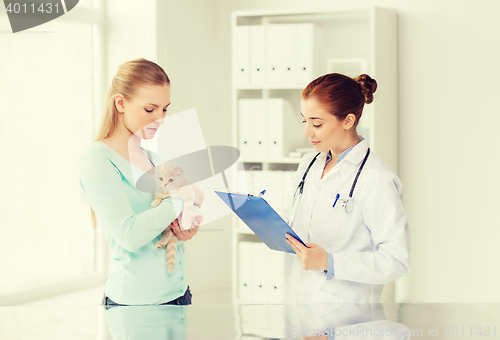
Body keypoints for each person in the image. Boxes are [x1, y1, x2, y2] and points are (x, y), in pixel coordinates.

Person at [79, 58, 204, 308]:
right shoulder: (98, 158)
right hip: (136, 304)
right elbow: (130, 235)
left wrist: (185, 228)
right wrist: (183, 198)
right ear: (121, 103)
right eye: (150, 109)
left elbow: (162, 220)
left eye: (165, 109)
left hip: (178, 294)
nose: (161, 118)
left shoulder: (153, 157)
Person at [283, 73, 410, 303]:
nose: (306, 133)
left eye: (317, 123)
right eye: (305, 121)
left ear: (348, 121)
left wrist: (328, 262)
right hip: (298, 308)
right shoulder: (309, 163)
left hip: (347, 320)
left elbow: (396, 260)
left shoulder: (377, 179)